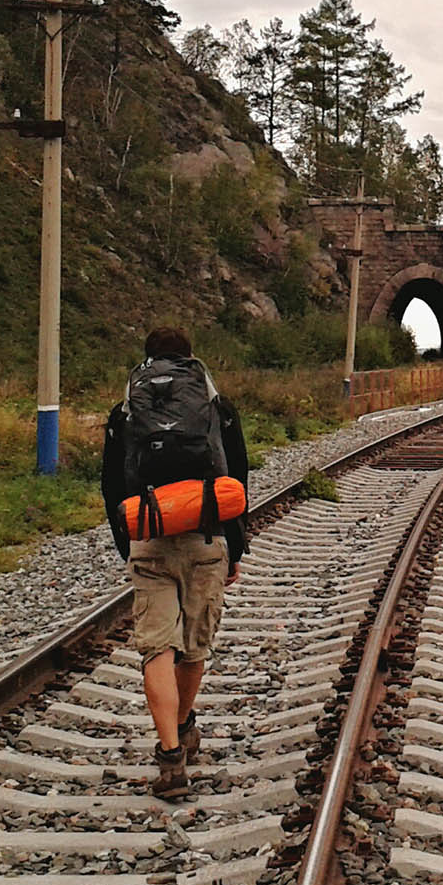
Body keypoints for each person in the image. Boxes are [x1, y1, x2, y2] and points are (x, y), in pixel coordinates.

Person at [100, 326, 250, 797]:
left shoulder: (125, 413)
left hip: (149, 535)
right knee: (194, 648)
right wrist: (235, 551)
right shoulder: (215, 407)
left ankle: (170, 760)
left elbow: (110, 485)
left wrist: (129, 542)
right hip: (205, 536)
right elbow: (239, 480)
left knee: (156, 649)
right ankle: (185, 723)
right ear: (191, 359)